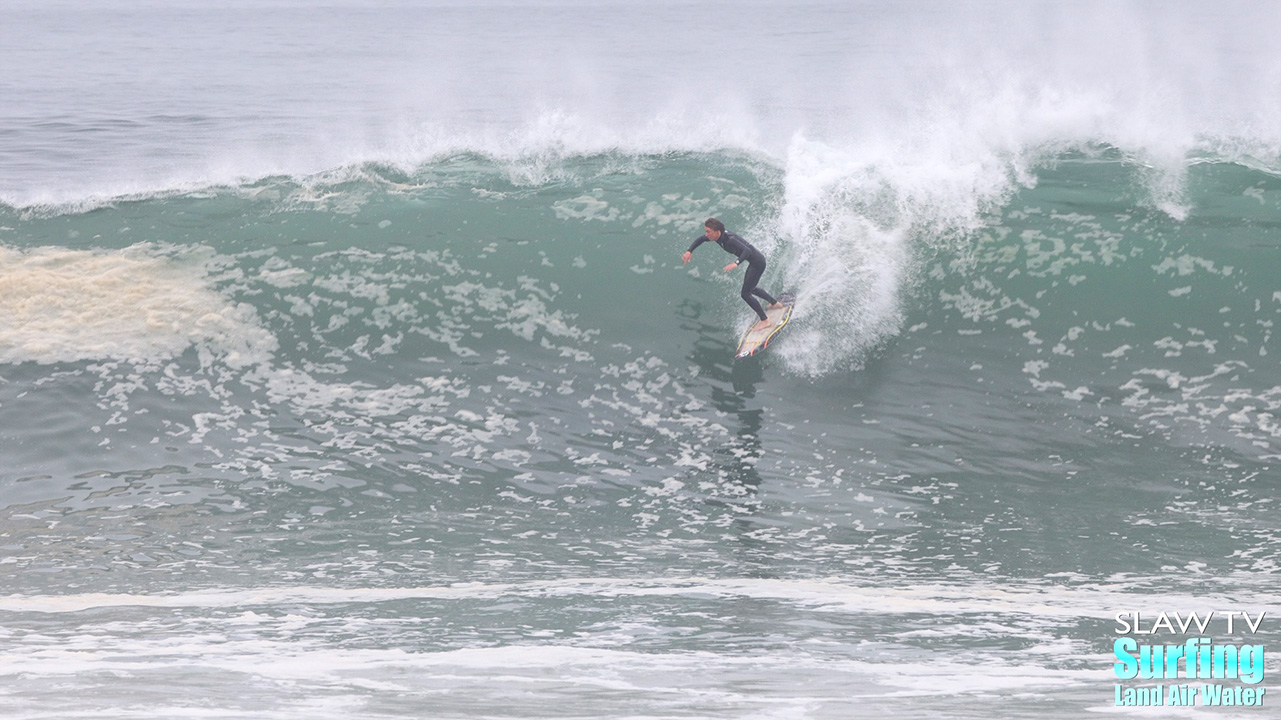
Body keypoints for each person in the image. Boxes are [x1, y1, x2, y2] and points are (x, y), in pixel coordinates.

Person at [682, 218, 783, 332]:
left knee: (745, 293)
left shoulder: (730, 240)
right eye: (706, 231)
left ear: (717, 231)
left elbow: (747, 251)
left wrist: (736, 263)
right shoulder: (717, 236)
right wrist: (689, 251)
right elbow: (701, 239)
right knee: (751, 288)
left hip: (757, 263)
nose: (706, 234)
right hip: (755, 262)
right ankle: (775, 303)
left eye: (708, 231)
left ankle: (765, 320)